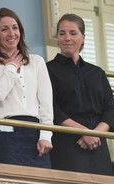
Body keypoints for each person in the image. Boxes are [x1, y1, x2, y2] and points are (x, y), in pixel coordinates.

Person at [0, 7, 53, 168]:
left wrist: (46, 135)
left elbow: (46, 104)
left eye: (15, 27)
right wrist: (11, 67)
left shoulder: (37, 61)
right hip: (5, 135)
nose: (11, 33)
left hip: (35, 132)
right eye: (4, 29)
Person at [46, 13, 114, 176]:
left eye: (73, 33)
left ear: (83, 37)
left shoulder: (97, 73)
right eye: (62, 33)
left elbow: (111, 108)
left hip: (98, 143)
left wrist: (95, 133)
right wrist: (85, 132)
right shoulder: (47, 69)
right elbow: (51, 108)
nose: (67, 38)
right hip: (66, 141)